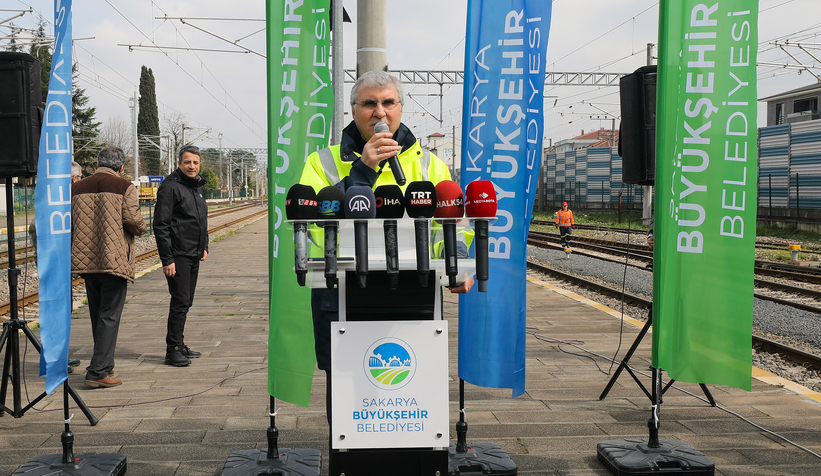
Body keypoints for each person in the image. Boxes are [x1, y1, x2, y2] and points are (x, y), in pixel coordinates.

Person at [299, 70, 473, 421]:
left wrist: (460, 262)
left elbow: (452, 223)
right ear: (353, 111)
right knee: (350, 399)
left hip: (416, 295)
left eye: (388, 102)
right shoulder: (323, 162)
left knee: (415, 391)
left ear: (401, 109)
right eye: (369, 104)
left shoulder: (429, 163)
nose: (380, 112)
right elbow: (316, 226)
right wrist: (363, 169)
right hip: (344, 296)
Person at [71, 147, 148, 388]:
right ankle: (97, 372)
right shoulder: (124, 186)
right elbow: (133, 222)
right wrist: (143, 228)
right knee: (110, 315)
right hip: (113, 259)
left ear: (97, 163)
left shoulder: (76, 187)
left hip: (86, 260)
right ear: (121, 166)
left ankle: (105, 363)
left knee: (98, 315)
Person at [154, 145, 208, 367]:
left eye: (195, 162)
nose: (191, 166)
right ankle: (172, 348)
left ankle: (179, 343)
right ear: (179, 163)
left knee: (187, 301)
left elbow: (201, 220)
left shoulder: (197, 188)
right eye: (187, 162)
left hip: (193, 252)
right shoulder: (170, 188)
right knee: (180, 300)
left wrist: (204, 246)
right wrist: (168, 259)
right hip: (178, 254)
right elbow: (161, 224)